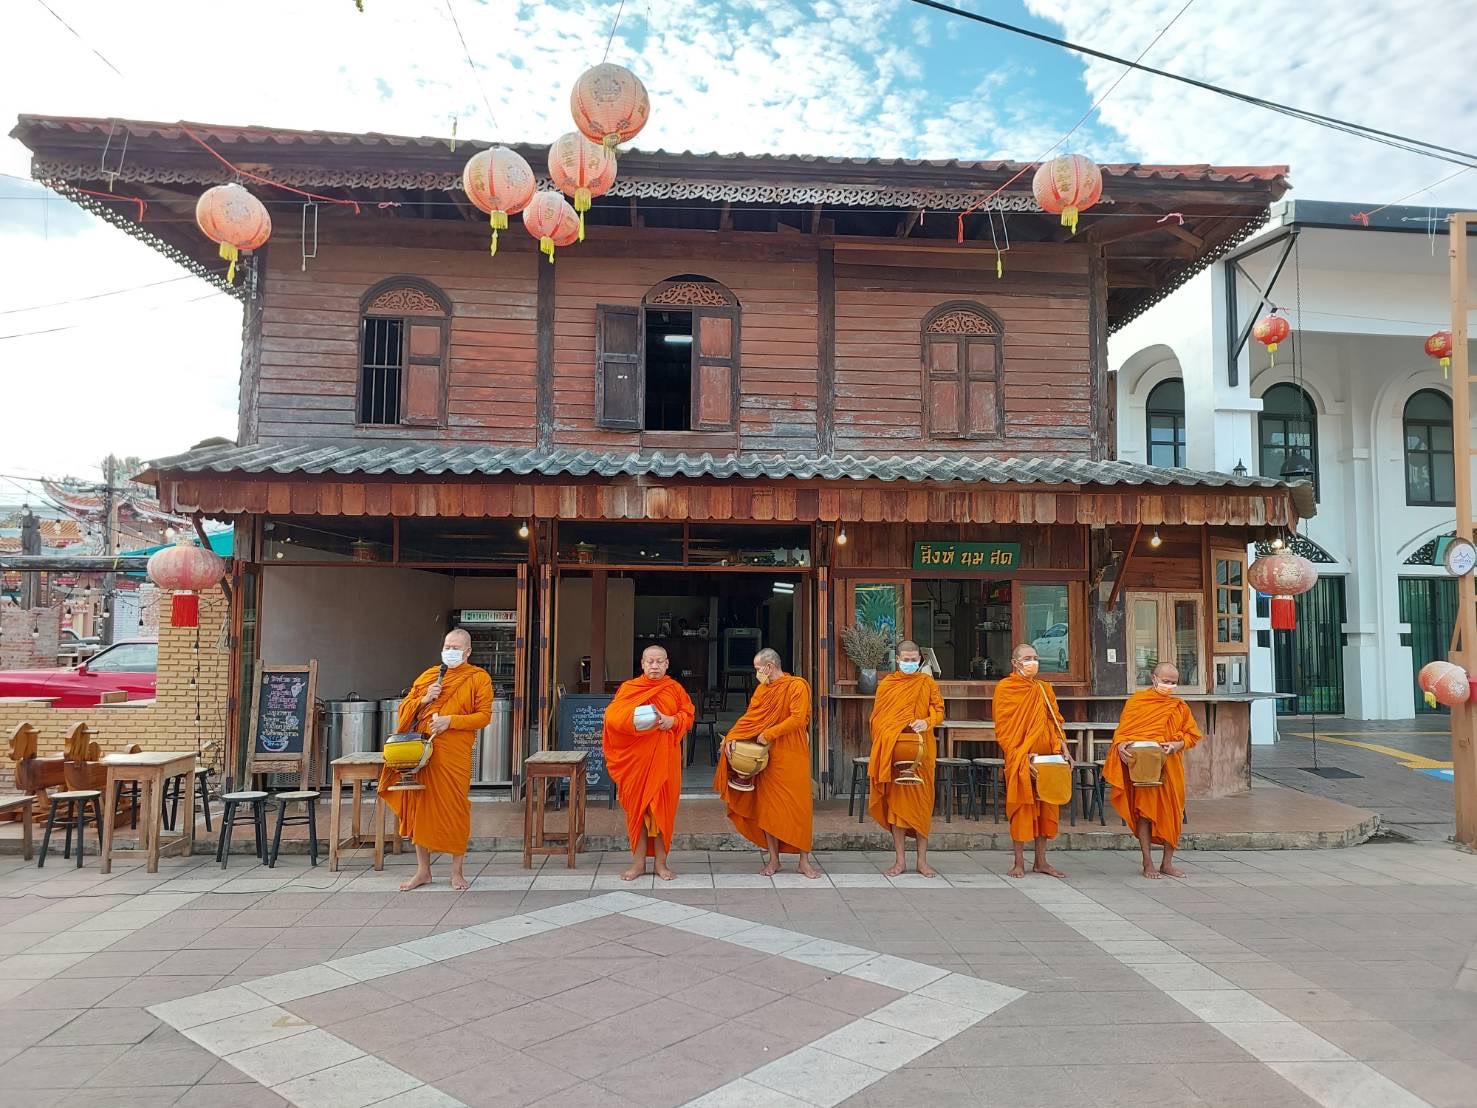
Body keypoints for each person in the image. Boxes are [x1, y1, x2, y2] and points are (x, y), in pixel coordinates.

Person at [380, 628, 492, 892]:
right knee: (420, 808)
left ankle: (456, 872)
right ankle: (423, 871)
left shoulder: (478, 678)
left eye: (456, 647)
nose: (450, 651)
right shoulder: (429, 676)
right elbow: (403, 711)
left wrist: (450, 721)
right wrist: (423, 699)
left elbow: (484, 716)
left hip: (453, 754)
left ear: (468, 652)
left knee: (455, 808)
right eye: (447, 646)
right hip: (421, 755)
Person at [715, 648, 820, 878]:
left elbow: (798, 718)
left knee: (799, 808)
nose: (757, 673)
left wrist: (770, 733)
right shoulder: (763, 690)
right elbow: (750, 719)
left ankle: (804, 861)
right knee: (769, 809)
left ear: (770, 666)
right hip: (767, 757)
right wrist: (733, 736)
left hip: (792, 753)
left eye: (758, 668)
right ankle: (774, 860)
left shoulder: (796, 686)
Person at [603, 645, 695, 881]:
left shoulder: (674, 690)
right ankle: (638, 864)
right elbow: (612, 716)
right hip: (637, 763)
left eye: (659, 662)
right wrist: (633, 720)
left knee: (662, 813)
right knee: (638, 813)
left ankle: (661, 865)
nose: (654, 666)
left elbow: (688, 714)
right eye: (650, 662)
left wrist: (671, 720)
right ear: (642, 664)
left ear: (667, 664)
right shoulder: (629, 689)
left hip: (664, 763)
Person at [1103, 662, 1202, 879]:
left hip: (1170, 766)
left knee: (1173, 814)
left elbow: (1192, 736)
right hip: (1144, 767)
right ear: (1153, 678)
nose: (1169, 686)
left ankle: (1167, 863)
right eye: (1165, 681)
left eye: (1173, 682)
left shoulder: (1179, 707)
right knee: (1145, 814)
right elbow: (1122, 735)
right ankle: (1147, 862)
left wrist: (1177, 745)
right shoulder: (1137, 702)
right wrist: (1120, 746)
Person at [991, 643, 1073, 879]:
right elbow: (1004, 729)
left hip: (1048, 756)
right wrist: (1019, 754)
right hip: (1021, 757)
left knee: (1046, 806)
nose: (1032, 662)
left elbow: (1055, 722)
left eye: (1035, 657)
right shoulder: (1006, 689)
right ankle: (1018, 862)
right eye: (1027, 658)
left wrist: (1063, 748)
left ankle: (1041, 861)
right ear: (1015, 663)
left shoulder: (1044, 689)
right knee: (1022, 808)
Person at [868, 640, 945, 877]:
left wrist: (927, 721)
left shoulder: (927, 682)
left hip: (922, 753)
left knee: (922, 807)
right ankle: (900, 860)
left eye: (914, 660)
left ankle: (922, 861)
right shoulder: (887, 685)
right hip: (896, 753)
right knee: (897, 809)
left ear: (920, 661)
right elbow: (876, 720)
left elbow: (939, 711)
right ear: (897, 660)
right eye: (906, 660)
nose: (910, 664)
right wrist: (895, 729)